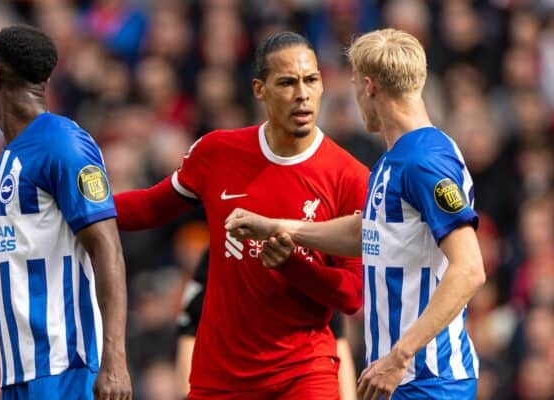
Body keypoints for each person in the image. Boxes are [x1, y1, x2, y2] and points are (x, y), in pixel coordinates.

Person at [225, 28, 486, 400]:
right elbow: (370, 232)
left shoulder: (423, 162)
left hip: (429, 380)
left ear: (368, 87)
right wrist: (280, 226)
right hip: (400, 380)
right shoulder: (397, 157)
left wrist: (399, 356)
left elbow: (470, 268)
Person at [113, 31, 369, 399]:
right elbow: (152, 207)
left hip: (303, 372)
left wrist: (291, 265)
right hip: (221, 376)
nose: (302, 94)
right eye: (286, 82)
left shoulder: (350, 177)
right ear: (259, 89)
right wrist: (80, 209)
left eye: (311, 80)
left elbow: (352, 296)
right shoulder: (217, 152)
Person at [0, 25, 131, 400]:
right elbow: (17, 292)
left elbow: (107, 248)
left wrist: (115, 359)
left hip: (67, 367)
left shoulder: (63, 144)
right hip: (21, 374)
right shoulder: (7, 161)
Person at [175, 249, 359, 400]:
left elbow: (337, 338)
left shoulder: (312, 254)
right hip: (235, 380)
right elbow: (191, 333)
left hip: (301, 379)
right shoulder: (223, 251)